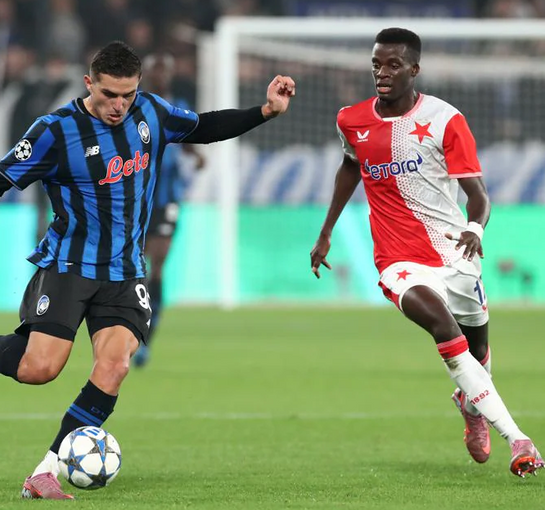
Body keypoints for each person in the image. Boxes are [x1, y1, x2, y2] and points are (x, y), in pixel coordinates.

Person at [0, 40, 295, 499]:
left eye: (127, 94)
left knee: (115, 366)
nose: (118, 105)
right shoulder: (54, 131)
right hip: (69, 266)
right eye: (108, 94)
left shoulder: (151, 112)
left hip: (125, 272)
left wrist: (265, 111)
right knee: (39, 369)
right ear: (88, 83)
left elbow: (204, 127)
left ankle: (46, 471)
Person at [310, 27, 542, 478]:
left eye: (393, 65)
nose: (382, 73)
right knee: (443, 330)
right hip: (398, 262)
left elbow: (478, 195)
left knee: (479, 353)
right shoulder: (350, 120)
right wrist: (326, 231)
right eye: (377, 64)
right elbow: (350, 166)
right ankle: (518, 439)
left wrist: (474, 228)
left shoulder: (445, 119)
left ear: (414, 69)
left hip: (455, 255)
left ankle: (470, 405)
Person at [132, 53, 205, 368]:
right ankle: (132, 325)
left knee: (157, 265)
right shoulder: (133, 106)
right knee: (136, 266)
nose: (160, 76)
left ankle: (148, 333)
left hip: (167, 198)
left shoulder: (178, 106)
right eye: (155, 70)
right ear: (145, 74)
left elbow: (187, 138)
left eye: (164, 71)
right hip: (136, 198)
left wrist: (196, 155)